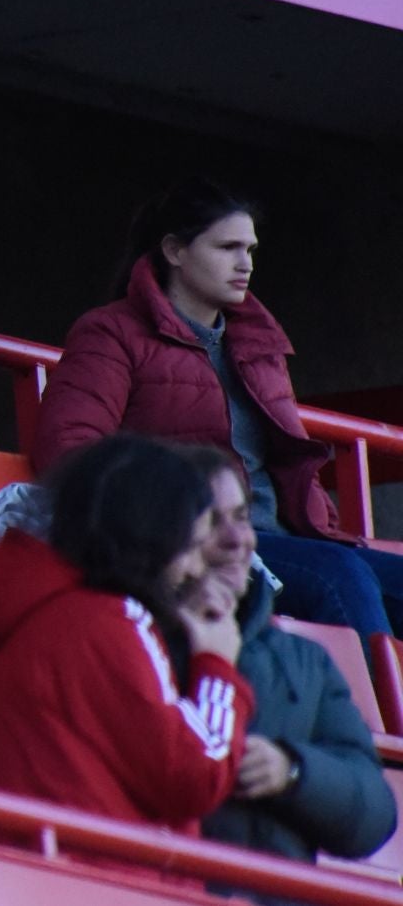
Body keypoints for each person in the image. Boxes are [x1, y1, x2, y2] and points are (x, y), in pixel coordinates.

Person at [34, 178, 403, 638]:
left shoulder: (258, 345)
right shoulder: (110, 333)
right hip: (196, 543)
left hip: (289, 540)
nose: (244, 264)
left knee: (363, 570)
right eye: (227, 248)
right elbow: (69, 450)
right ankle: (378, 712)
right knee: (340, 577)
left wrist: (321, 522)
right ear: (174, 251)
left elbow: (285, 464)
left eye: (250, 250)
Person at [0, 434, 252, 830]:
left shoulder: (41, 613)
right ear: (151, 538)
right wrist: (217, 665)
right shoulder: (104, 623)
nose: (193, 569)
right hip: (104, 883)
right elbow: (197, 774)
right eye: (189, 546)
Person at [191, 446, 396, 878]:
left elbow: (376, 814)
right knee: (342, 573)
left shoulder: (302, 660)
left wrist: (294, 770)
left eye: (242, 517)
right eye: (212, 520)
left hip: (291, 893)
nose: (237, 538)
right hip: (180, 891)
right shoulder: (128, 641)